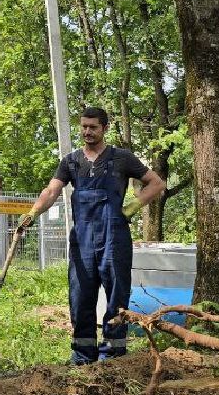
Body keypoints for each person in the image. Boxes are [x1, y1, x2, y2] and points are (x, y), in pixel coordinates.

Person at [16, 106, 166, 364]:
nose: (87, 131)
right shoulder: (71, 162)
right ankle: (83, 355)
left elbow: (157, 182)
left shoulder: (122, 158)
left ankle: (113, 356)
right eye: (84, 126)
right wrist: (31, 214)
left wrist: (132, 206)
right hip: (82, 241)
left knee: (117, 297)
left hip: (114, 239)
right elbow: (51, 191)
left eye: (93, 127)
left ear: (104, 128)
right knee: (80, 297)